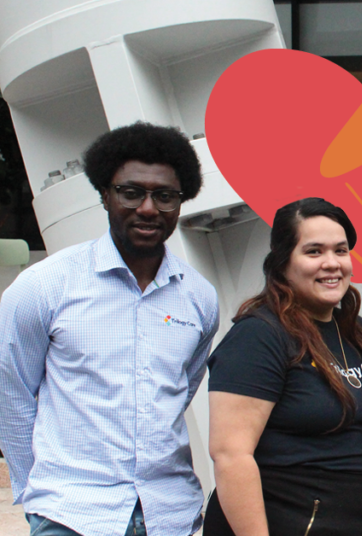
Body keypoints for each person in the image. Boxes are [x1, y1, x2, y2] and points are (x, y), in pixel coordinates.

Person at [0, 122, 219, 535]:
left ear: (181, 201)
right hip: (72, 517)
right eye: (131, 192)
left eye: (165, 196)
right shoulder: (45, 285)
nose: (149, 208)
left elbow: (181, 389)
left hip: (170, 515)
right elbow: (10, 394)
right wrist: (38, 493)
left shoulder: (200, 298)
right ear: (104, 195)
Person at [203, 197, 362, 535]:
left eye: (341, 250)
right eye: (314, 251)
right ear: (282, 261)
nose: (332, 263)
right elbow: (231, 456)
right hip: (292, 520)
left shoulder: (357, 332)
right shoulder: (259, 335)